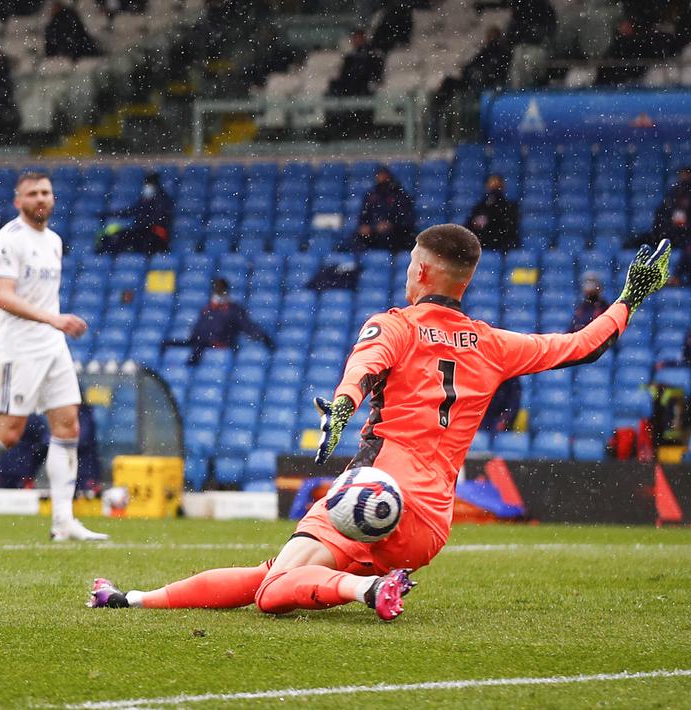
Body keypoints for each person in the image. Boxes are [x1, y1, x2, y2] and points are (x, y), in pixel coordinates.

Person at [89, 226, 671, 620]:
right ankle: (133, 599)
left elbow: (364, 365)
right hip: (429, 525)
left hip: (375, 487)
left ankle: (368, 590)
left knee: (272, 593)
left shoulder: (396, 324)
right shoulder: (493, 344)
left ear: (419, 270)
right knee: (279, 572)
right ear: (463, 281)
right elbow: (580, 346)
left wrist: (343, 404)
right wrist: (629, 299)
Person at [0, 172, 108, 542]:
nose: (40, 198)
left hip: (52, 345)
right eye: (32, 194)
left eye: (46, 192)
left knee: (68, 426)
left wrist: (54, 325)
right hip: (22, 346)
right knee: (8, 433)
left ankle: (63, 520)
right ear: (18, 201)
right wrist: (54, 319)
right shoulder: (7, 240)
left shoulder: (55, 241)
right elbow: (4, 297)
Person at [166, 277, 275, 365]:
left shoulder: (234, 309)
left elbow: (248, 326)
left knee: (200, 344)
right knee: (168, 343)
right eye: (216, 291)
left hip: (221, 342)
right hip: (201, 341)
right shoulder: (208, 308)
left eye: (220, 291)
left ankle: (192, 362)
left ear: (226, 292)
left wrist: (263, 336)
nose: (218, 294)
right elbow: (198, 327)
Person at [96, 171, 174, 255]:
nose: (146, 187)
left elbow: (159, 218)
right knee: (114, 238)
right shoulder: (144, 199)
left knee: (132, 240)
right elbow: (130, 211)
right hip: (141, 232)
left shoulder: (162, 199)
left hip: (155, 234)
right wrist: (108, 214)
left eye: (149, 184)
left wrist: (143, 225)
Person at [346, 167, 416, 253]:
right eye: (379, 175)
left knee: (390, 238)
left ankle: (391, 262)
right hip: (373, 232)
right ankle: (356, 263)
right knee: (355, 238)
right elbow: (363, 216)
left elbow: (407, 220)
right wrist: (367, 227)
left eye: (383, 175)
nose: (381, 178)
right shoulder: (371, 196)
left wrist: (391, 225)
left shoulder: (400, 195)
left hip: (395, 233)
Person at [651, 166, 691, 285]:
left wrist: (686, 223)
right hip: (671, 232)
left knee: (688, 250)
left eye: (686, 175)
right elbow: (661, 213)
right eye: (682, 175)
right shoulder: (673, 193)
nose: (684, 178)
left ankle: (677, 277)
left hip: (688, 234)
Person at [465, 174, 519, 252]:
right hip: (482, 244)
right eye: (491, 184)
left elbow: (509, 229)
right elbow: (470, 224)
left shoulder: (509, 206)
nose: (493, 187)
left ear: (503, 186)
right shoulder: (480, 206)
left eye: (497, 184)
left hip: (501, 245)